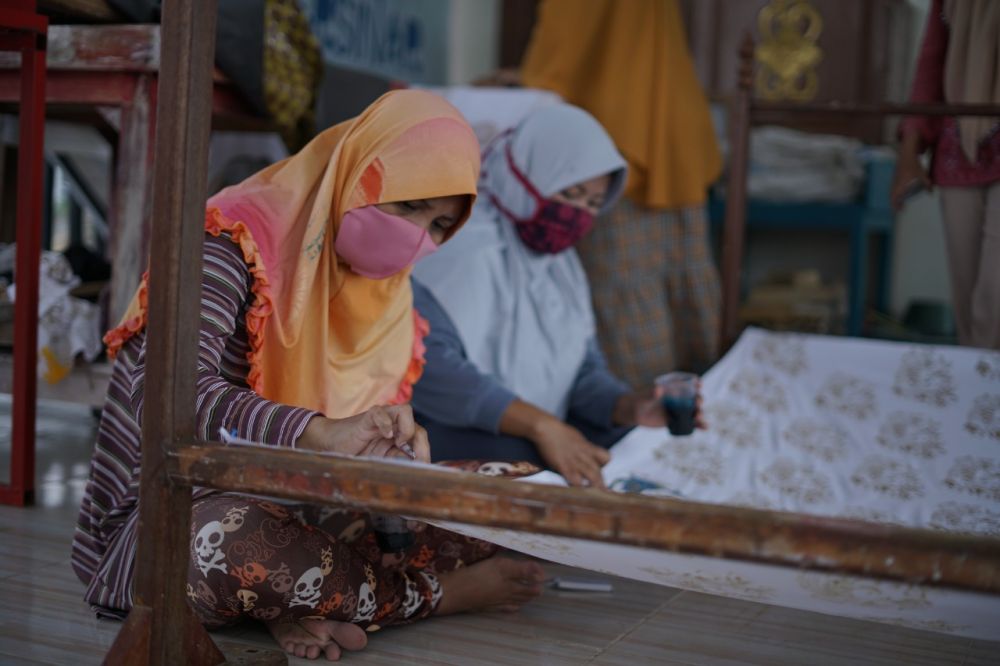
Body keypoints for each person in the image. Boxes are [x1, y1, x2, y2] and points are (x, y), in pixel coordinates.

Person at [71, 90, 544, 662]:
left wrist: (393, 466)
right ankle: (427, 597)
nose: (421, 236)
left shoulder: (389, 298)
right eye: (409, 204)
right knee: (237, 544)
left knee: (516, 491)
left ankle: (307, 598)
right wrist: (321, 431)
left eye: (442, 223)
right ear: (357, 171)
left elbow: (360, 467)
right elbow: (169, 397)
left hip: (318, 513)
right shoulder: (228, 242)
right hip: (186, 519)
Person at [411, 104, 673, 489]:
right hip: (449, 431)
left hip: (537, 431)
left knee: (636, 444)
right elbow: (431, 372)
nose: (577, 213)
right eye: (570, 192)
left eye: (592, 203)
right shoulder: (455, 246)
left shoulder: (563, 269)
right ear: (525, 175)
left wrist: (628, 406)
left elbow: (583, 376)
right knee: (555, 467)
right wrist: (543, 426)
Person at [517, 0, 724, 382]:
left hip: (612, 139)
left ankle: (638, 417)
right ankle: (689, 406)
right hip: (671, 134)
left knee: (624, 293)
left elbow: (561, 57)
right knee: (678, 283)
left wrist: (525, 91)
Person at [892, 0, 1000, 350]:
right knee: (968, 306)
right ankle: (979, 399)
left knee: (993, 302)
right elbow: (931, 59)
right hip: (961, 150)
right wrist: (910, 152)